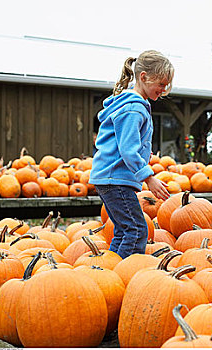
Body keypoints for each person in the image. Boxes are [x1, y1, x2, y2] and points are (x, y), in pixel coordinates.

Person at [89, 50, 173, 259]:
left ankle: (110, 271)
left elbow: (126, 143)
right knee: (136, 230)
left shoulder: (131, 105)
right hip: (115, 178)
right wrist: (149, 177)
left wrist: (145, 152)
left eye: (166, 86)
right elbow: (127, 149)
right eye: (161, 84)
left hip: (111, 177)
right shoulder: (133, 109)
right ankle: (125, 275)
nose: (163, 90)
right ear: (144, 77)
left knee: (124, 231)